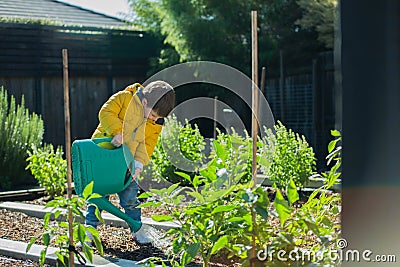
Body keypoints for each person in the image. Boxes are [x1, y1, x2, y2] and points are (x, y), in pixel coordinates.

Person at [84, 81, 175, 244]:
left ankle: (137, 230)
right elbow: (105, 112)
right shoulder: (124, 98)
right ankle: (90, 231)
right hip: (105, 155)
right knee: (97, 197)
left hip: (127, 162)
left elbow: (147, 144)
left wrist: (139, 164)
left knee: (131, 199)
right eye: (153, 115)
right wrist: (118, 131)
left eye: (158, 118)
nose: (154, 119)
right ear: (146, 102)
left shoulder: (155, 122)